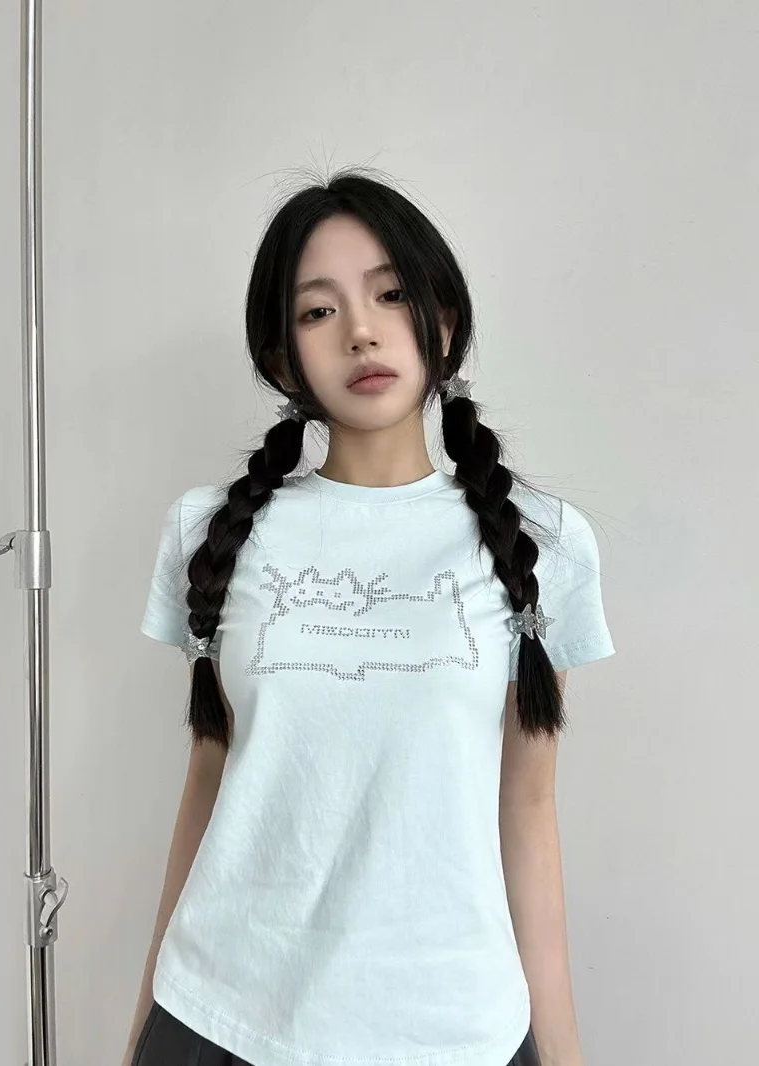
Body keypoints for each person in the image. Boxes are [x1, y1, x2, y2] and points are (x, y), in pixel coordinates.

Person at [123, 169, 616, 1066]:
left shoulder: (543, 543)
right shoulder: (211, 531)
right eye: (318, 312)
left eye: (390, 294)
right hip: (221, 1018)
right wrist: (140, 1028)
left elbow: (528, 805)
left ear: (444, 322)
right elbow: (210, 779)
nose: (361, 330)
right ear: (284, 361)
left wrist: (563, 1050)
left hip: (456, 1030)